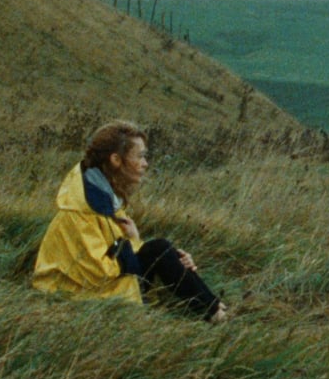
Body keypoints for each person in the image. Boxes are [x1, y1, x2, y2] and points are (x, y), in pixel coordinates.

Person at [32, 120, 229, 323]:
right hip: (74, 293)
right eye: (140, 156)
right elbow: (97, 272)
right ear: (116, 159)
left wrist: (171, 259)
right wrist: (136, 245)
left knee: (163, 251)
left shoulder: (103, 197)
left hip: (96, 285)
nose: (146, 163)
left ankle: (214, 308)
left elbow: (118, 253)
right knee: (160, 251)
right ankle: (216, 313)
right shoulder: (81, 211)